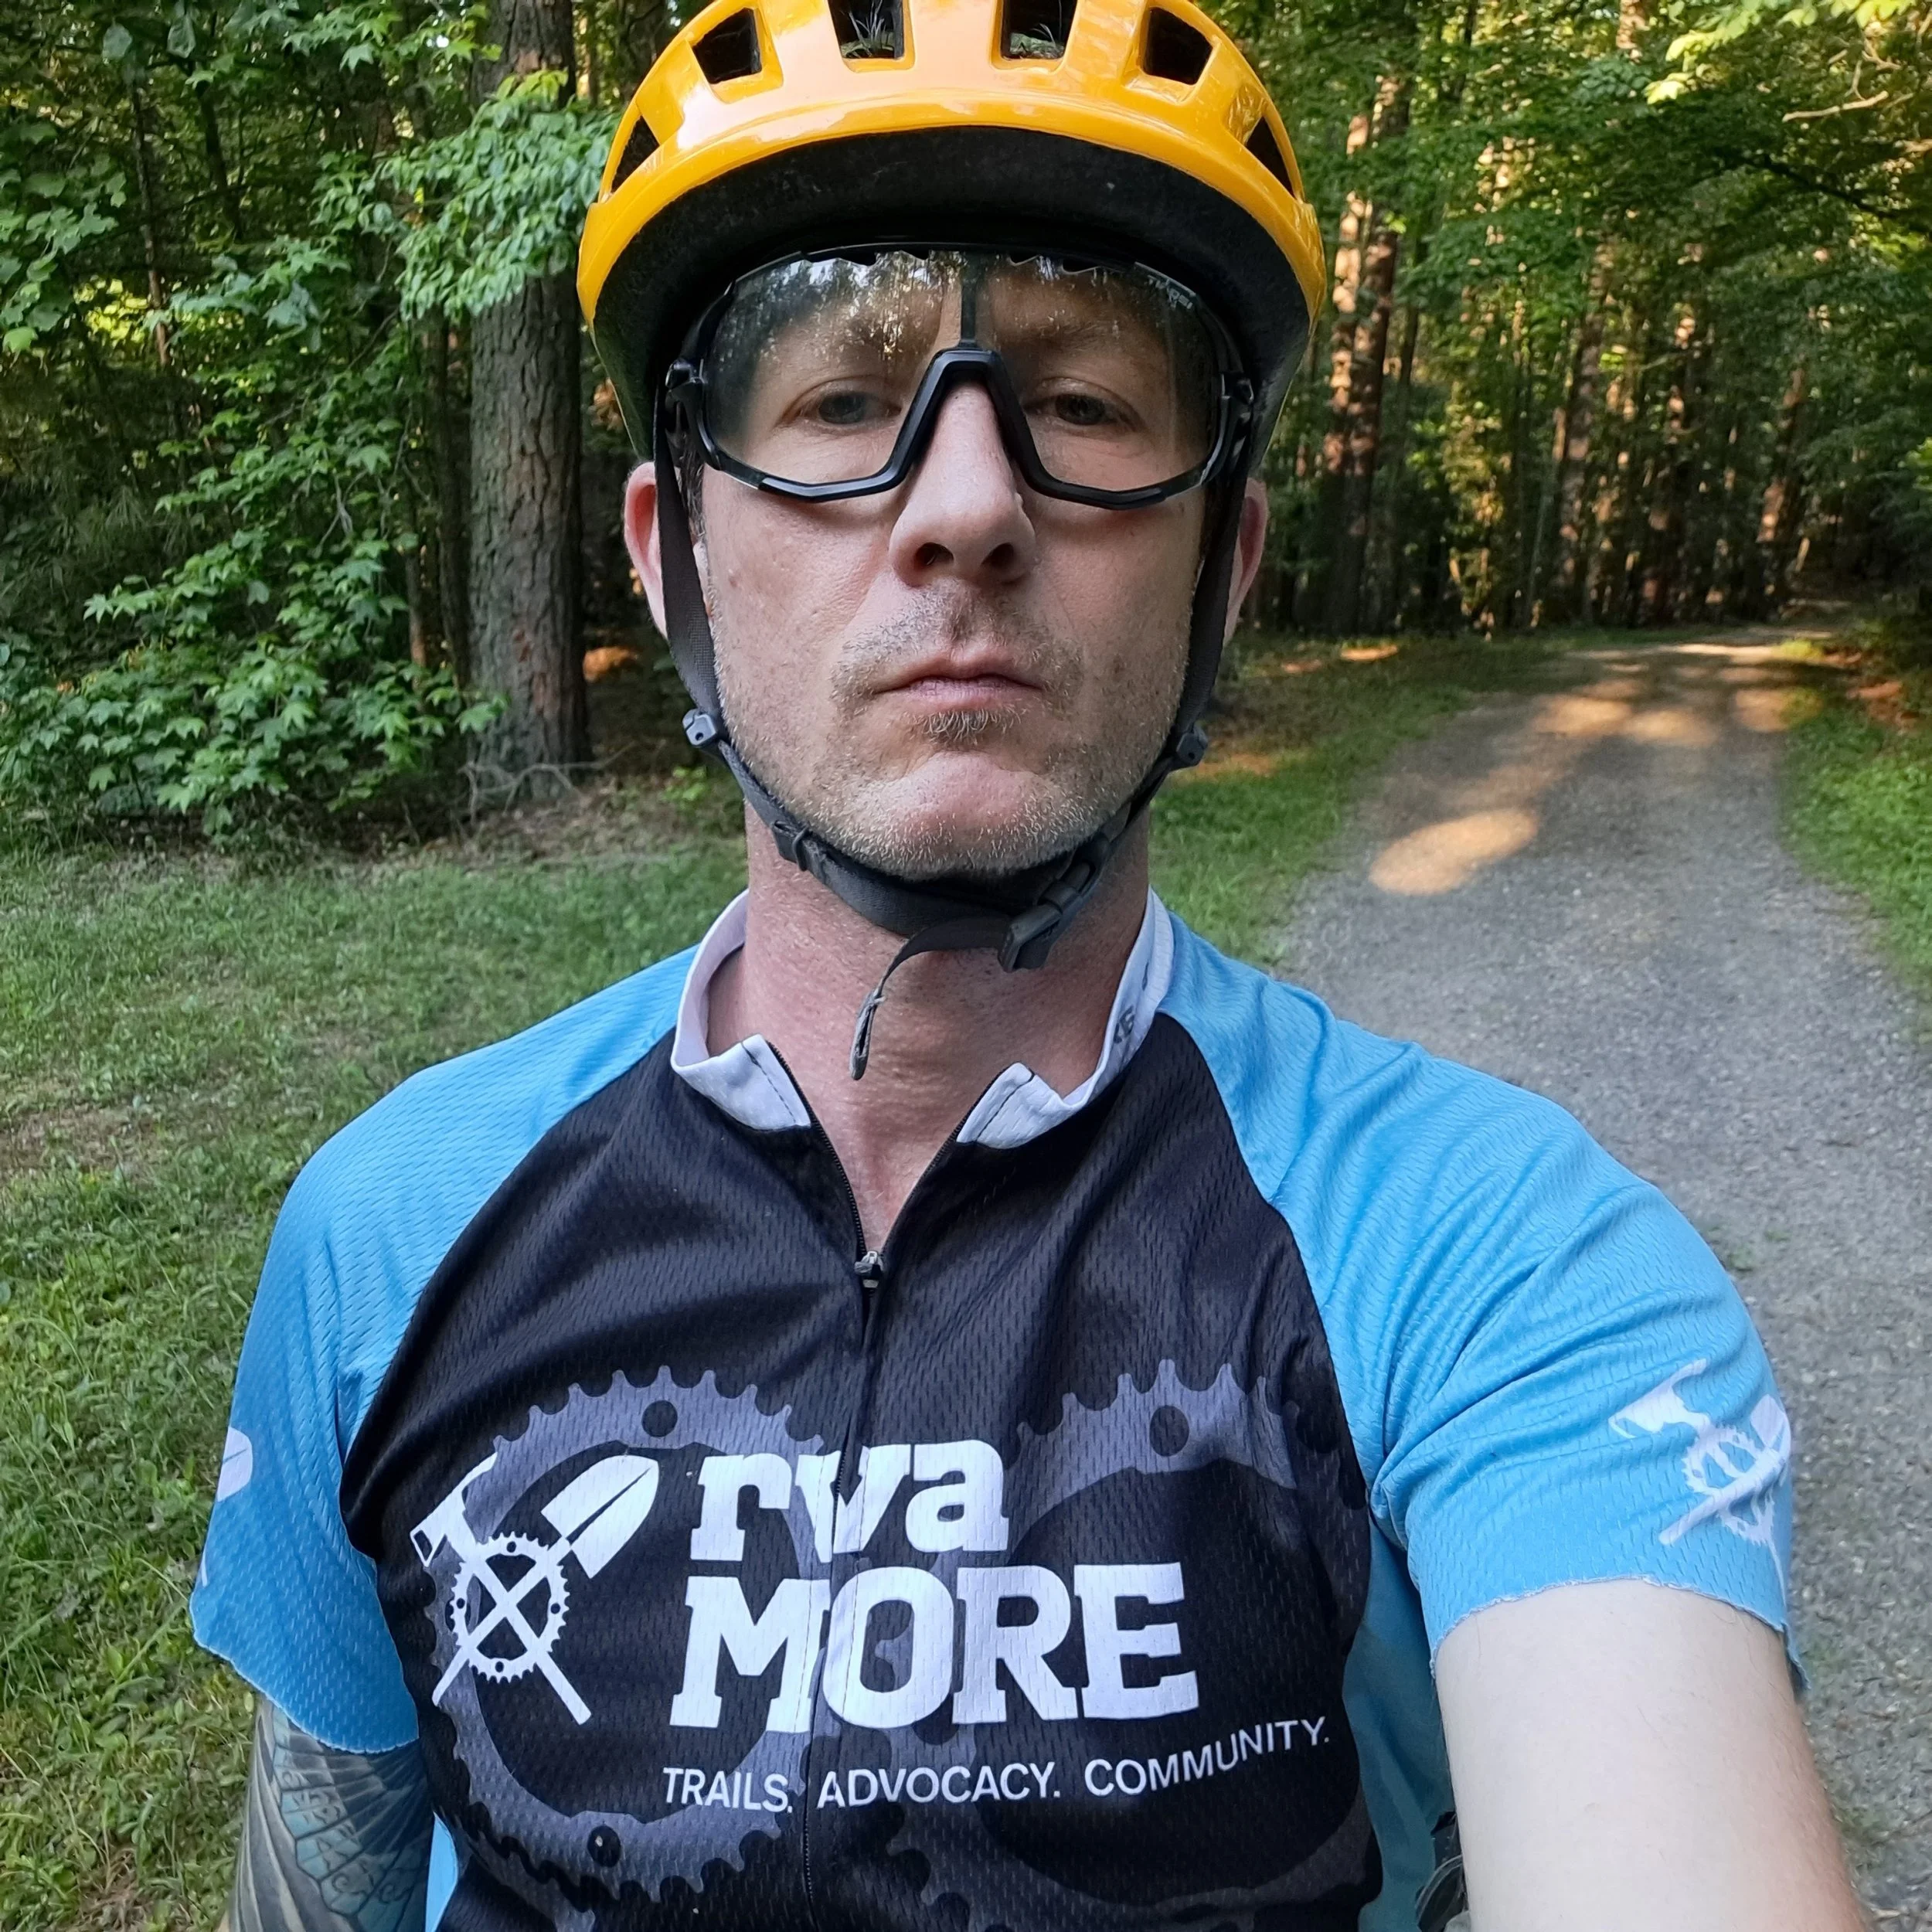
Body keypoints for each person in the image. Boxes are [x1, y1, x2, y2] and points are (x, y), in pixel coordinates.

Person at [192, 0, 1866, 1927]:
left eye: (1079, 408)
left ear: (1222, 563)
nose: (967, 505)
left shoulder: (1498, 1260)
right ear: (669, 561)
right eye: (839, 401)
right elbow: (317, 1876)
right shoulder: (391, 1231)